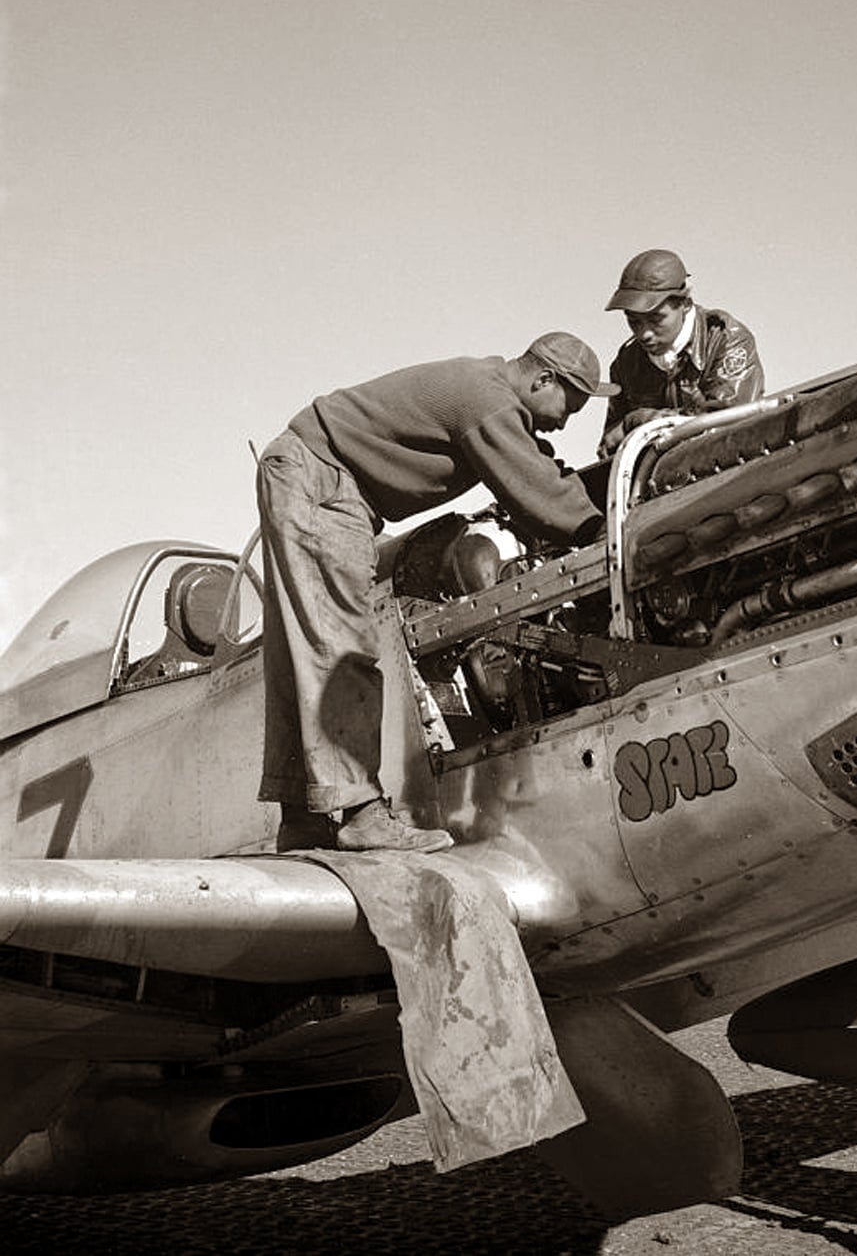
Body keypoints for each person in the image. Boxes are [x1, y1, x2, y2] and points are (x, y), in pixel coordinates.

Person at [257, 332, 619, 853]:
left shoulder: (488, 392)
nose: (564, 422)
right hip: (323, 482)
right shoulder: (488, 401)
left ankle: (302, 820)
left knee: (308, 650)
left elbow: (540, 466)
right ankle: (361, 814)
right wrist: (607, 532)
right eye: (570, 406)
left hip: (313, 474)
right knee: (345, 649)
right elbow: (539, 492)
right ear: (543, 379)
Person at [598, 248, 764, 457]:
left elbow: (726, 423)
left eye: (656, 319)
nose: (644, 333)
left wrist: (638, 421)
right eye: (634, 321)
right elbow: (613, 444)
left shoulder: (725, 339)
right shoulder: (626, 364)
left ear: (685, 304)